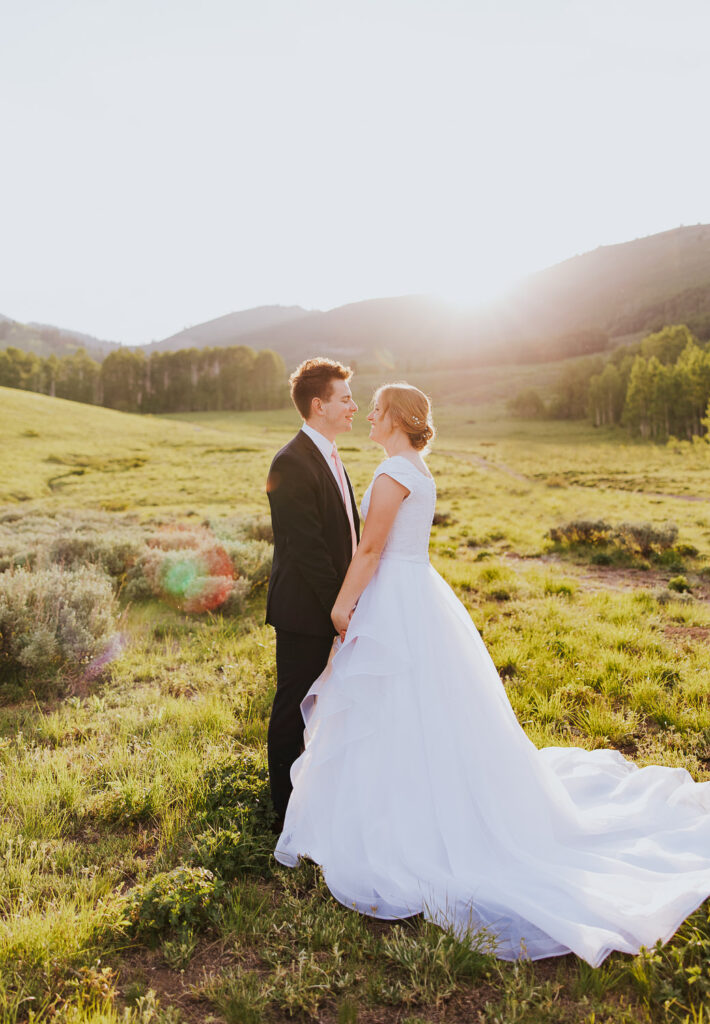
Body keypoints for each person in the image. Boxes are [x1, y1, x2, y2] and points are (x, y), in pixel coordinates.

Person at [275, 382, 710, 968]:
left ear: (399, 418)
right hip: (418, 596)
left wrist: (340, 606)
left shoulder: (390, 475)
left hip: (393, 598)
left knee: (393, 705)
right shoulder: (415, 470)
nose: (369, 417)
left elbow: (371, 550)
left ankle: (399, 819)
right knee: (426, 709)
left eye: (376, 410)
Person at [265, 357, 360, 830]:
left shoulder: (332, 456)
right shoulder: (291, 461)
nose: (354, 407)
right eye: (345, 399)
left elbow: (346, 535)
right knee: (293, 709)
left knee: (326, 706)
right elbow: (308, 552)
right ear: (318, 405)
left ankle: (320, 795)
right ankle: (285, 814)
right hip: (305, 610)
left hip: (334, 606)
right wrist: (341, 608)